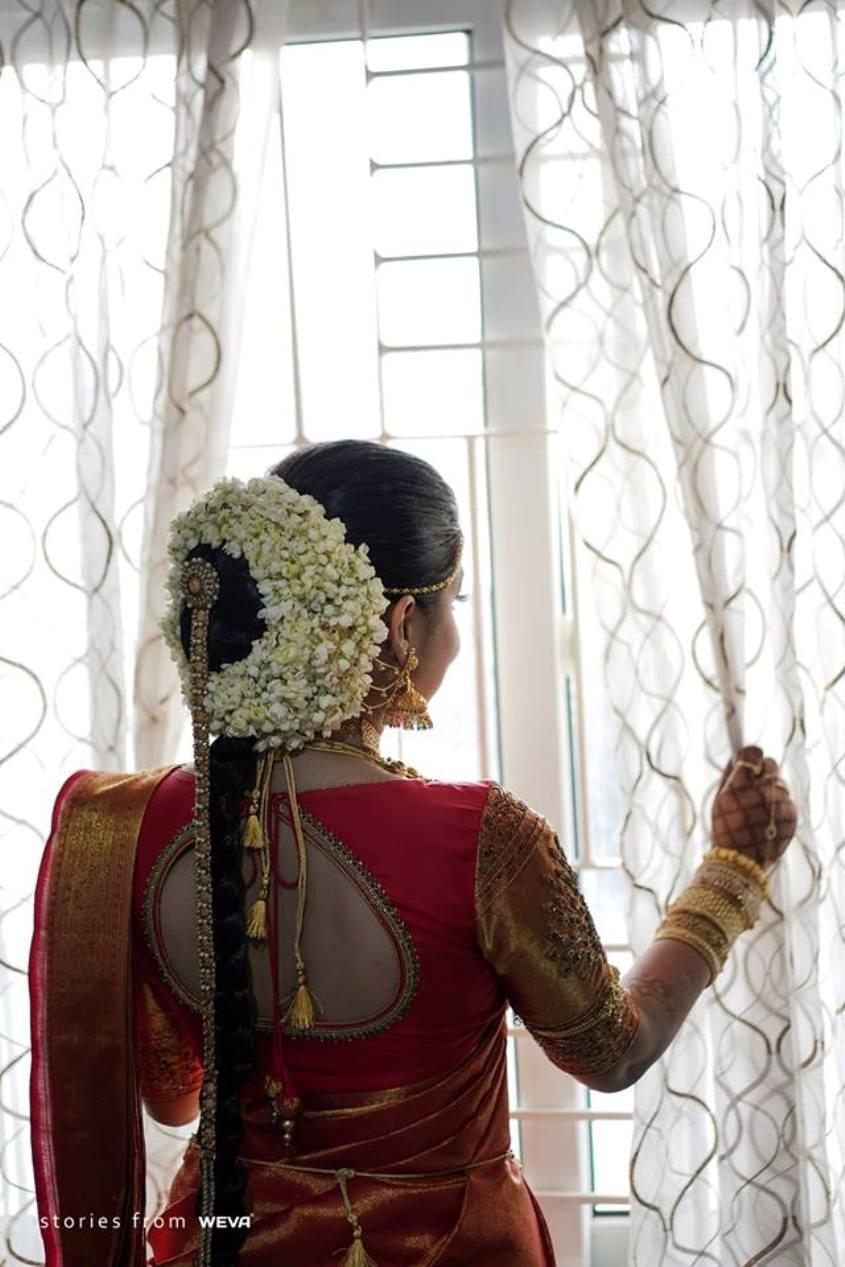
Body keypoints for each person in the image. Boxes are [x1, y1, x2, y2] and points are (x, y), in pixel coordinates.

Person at [28, 440, 797, 1267]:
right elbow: (612, 1052)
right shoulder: (481, 837)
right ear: (400, 624)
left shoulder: (125, 826)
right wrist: (732, 870)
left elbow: (174, 1100)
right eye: (454, 601)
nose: (456, 634)